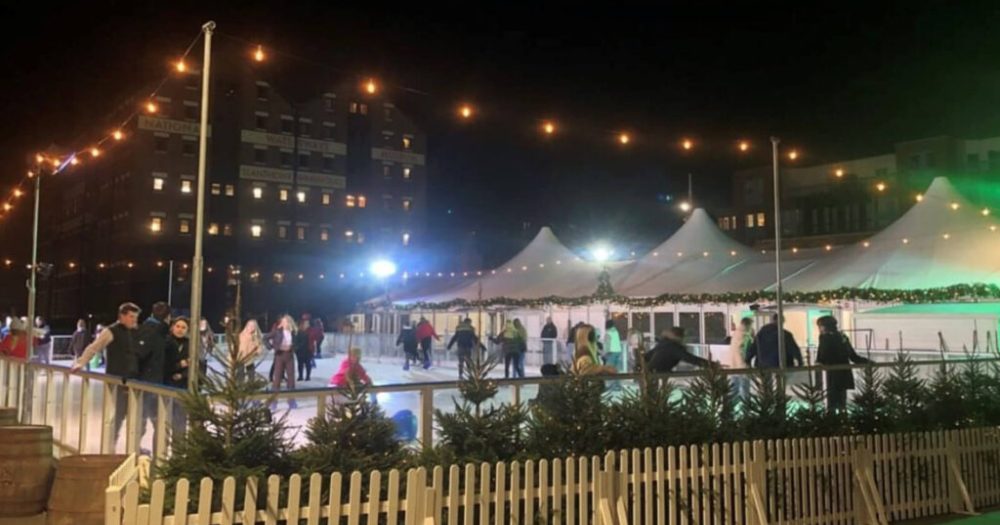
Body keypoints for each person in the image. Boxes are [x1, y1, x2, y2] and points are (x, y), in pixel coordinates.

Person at [71, 302, 146, 443]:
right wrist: (81, 362)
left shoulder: (136, 331)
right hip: (118, 380)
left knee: (139, 417)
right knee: (119, 414)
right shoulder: (111, 331)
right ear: (121, 316)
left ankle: (134, 446)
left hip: (135, 380)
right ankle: (110, 443)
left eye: (135, 317)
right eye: (131, 317)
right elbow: (93, 348)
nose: (134, 320)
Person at [815, 315, 870, 412]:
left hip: (832, 373)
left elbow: (823, 355)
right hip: (843, 372)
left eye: (820, 326)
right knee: (841, 399)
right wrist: (865, 361)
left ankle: (833, 420)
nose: (819, 329)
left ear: (824, 327)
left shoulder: (825, 338)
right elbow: (852, 355)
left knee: (832, 400)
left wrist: (819, 363)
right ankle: (842, 418)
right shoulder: (842, 336)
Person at [644, 327, 712, 373]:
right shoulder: (673, 347)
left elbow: (646, 357)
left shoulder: (663, 344)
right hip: (656, 376)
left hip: (651, 373)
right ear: (680, 337)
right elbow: (690, 359)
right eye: (686, 337)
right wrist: (712, 365)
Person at [267, 315, 298, 400]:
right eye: (283, 322)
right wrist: (273, 347)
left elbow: (298, 343)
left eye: (286, 322)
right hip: (279, 355)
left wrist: (291, 347)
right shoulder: (277, 331)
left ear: (289, 322)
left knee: (291, 377)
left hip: (289, 355)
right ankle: (273, 399)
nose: (284, 323)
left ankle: (291, 399)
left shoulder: (294, 332)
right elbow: (265, 338)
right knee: (277, 377)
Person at [724, 317, 754, 401]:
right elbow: (744, 352)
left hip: (733, 365)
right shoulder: (745, 336)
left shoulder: (736, 334)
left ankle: (728, 409)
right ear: (748, 325)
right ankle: (747, 409)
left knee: (734, 389)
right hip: (742, 367)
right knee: (745, 390)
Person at [164, 317, 191, 389]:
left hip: (184, 383)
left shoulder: (190, 344)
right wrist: (180, 364)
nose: (180, 329)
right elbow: (163, 363)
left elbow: (195, 364)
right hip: (166, 381)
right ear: (173, 327)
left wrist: (182, 375)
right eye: (178, 326)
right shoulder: (165, 341)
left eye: (183, 327)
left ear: (187, 330)